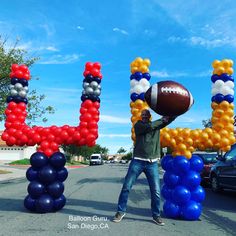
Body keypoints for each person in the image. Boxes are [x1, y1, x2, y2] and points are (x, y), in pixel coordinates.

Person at [112, 109, 176, 226]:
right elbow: (150, 127)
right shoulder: (139, 125)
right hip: (138, 161)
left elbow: (167, 120)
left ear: (150, 116)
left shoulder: (157, 125)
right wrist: (162, 119)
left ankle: (156, 215)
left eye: (147, 115)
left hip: (152, 163)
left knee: (156, 191)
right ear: (141, 117)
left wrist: (175, 111)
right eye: (143, 115)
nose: (145, 116)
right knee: (126, 187)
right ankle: (120, 211)